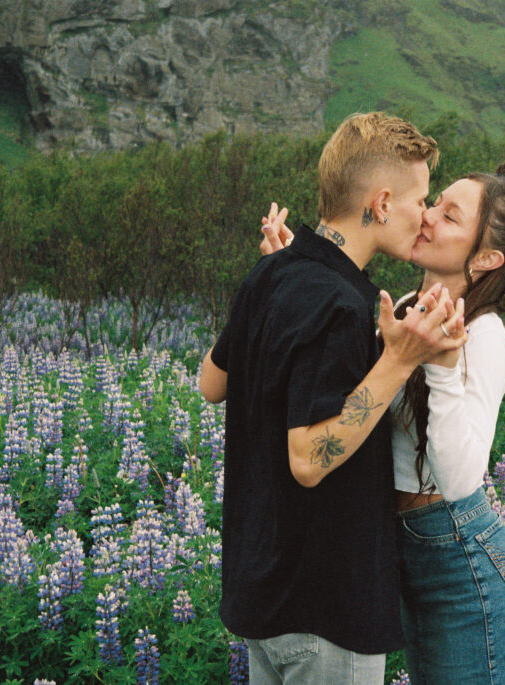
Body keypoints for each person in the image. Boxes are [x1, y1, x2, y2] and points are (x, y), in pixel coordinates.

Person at [261, 160, 505, 684]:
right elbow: (349, 402)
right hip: (401, 555)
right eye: (434, 203)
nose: (426, 217)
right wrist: (300, 271)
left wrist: (443, 368)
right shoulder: (404, 307)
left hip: (465, 566)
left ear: (487, 258)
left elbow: (460, 480)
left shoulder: (485, 335)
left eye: (449, 216)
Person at [198, 111, 468, 685]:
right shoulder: (346, 306)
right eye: (420, 200)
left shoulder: (271, 273)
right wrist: (398, 361)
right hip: (324, 605)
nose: (425, 216)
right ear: (382, 202)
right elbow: (307, 458)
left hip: (263, 591)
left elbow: (210, 383)